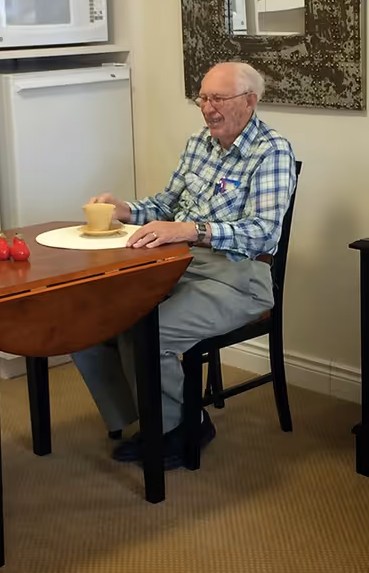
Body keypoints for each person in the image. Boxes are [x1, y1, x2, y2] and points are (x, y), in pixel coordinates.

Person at [73, 62, 296, 469]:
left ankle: (185, 425)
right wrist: (125, 209)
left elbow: (264, 232)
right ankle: (151, 419)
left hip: (238, 278)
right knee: (93, 315)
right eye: (203, 98)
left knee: (148, 331)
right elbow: (165, 206)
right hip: (177, 264)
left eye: (218, 99)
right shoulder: (198, 143)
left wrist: (193, 230)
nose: (208, 108)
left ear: (250, 101)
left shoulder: (272, 151)